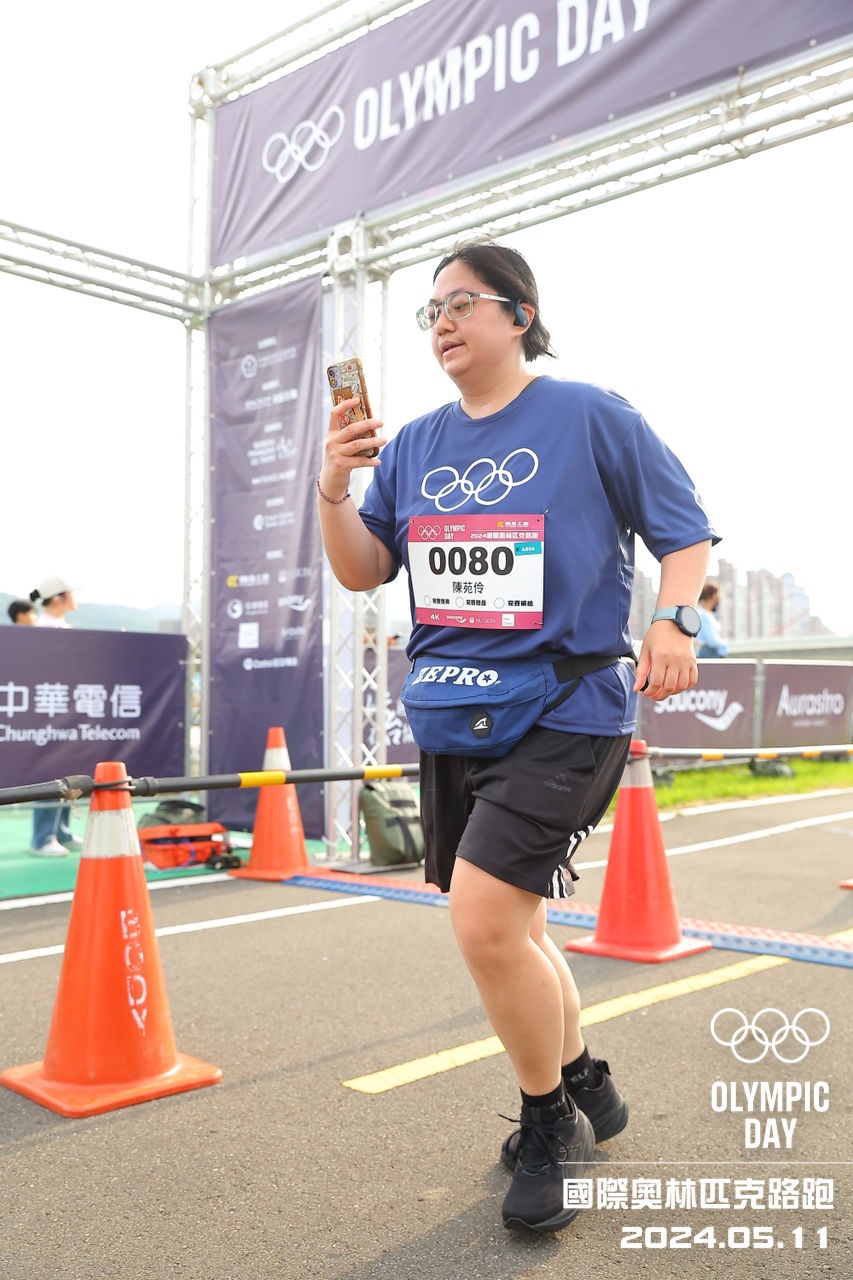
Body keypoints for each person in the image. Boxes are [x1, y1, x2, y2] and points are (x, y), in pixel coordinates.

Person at [317, 240, 718, 1234]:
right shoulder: (412, 444)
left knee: (487, 920)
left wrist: (675, 621)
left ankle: (551, 1124)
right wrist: (332, 488)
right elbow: (363, 570)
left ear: (519, 314)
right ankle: (587, 1081)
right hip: (452, 711)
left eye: (462, 302)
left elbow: (684, 532)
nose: (443, 323)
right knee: (519, 928)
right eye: (432, 312)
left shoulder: (589, 414)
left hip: (565, 708)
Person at [27, 575, 83, 856]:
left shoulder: (61, 627)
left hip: (66, 713)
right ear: (59, 597)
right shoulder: (43, 629)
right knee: (49, 773)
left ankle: (60, 831)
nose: (74, 597)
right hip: (48, 716)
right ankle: (42, 837)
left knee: (65, 772)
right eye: (70, 593)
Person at [696, 580, 729, 657]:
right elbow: (712, 641)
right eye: (719, 594)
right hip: (708, 655)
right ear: (714, 595)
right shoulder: (702, 614)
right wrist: (724, 644)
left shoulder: (708, 614)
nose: (720, 597)